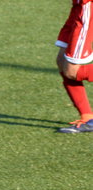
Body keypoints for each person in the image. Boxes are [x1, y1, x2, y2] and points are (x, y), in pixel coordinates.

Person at [56, 0, 93, 133]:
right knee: (62, 61)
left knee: (72, 71)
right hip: (78, 7)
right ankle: (88, 118)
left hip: (88, 6)